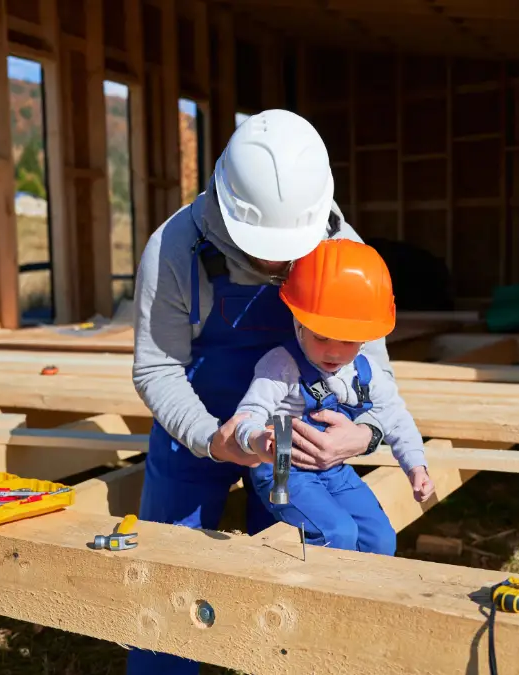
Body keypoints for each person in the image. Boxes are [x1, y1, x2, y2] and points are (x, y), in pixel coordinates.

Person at [129, 109, 394, 674]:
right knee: (168, 580)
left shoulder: (340, 244)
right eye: (265, 252)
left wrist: (362, 435)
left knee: (284, 562)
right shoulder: (176, 248)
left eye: (291, 252)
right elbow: (156, 370)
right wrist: (210, 438)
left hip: (286, 441)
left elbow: (373, 365)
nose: (280, 264)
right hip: (196, 429)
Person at [233, 239, 435, 554]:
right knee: (336, 533)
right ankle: (318, 600)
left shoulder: (364, 373)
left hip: (334, 469)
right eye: (322, 337)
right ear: (298, 322)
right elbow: (246, 416)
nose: (334, 352)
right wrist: (258, 440)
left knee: (378, 538)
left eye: (349, 341)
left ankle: (363, 598)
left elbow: (395, 417)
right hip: (283, 469)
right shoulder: (280, 367)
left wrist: (416, 467)